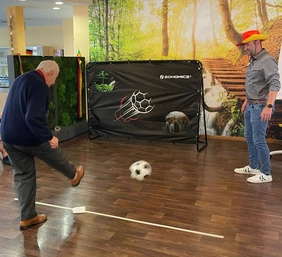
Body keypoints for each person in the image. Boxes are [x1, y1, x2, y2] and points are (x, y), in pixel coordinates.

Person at [1, 60, 84, 230]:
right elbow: (33, 118)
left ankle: (27, 217)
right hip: (26, 136)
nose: (54, 82)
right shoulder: (39, 85)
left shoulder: (21, 79)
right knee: (51, 150)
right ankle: (74, 175)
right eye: (55, 77)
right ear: (51, 74)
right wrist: (49, 136)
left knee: (23, 175)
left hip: (8, 137)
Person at [234, 30, 281, 183]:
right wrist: (247, 101)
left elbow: (275, 84)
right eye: (244, 45)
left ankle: (266, 173)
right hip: (251, 105)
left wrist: (269, 106)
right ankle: (254, 166)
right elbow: (254, 84)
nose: (245, 48)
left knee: (259, 139)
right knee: (249, 137)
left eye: (247, 44)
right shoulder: (253, 60)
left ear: (257, 42)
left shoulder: (267, 60)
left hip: (261, 106)